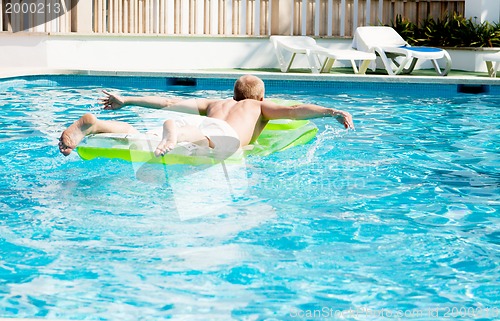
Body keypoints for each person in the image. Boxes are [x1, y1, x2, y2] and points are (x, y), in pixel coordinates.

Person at [58, 75, 354, 157]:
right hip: (210, 135)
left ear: (234, 95)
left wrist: (128, 100)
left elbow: (167, 102)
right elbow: (294, 111)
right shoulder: (257, 108)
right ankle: (175, 133)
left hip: (197, 125)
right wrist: (332, 112)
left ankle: (96, 126)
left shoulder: (215, 103)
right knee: (226, 142)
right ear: (261, 98)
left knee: (137, 138)